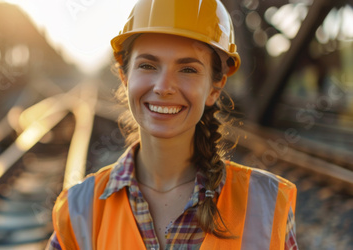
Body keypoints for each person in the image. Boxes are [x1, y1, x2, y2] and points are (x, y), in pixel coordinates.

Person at [47, 0, 298, 249]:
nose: (164, 87)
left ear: (215, 86)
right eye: (147, 65)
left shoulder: (267, 204)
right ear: (125, 76)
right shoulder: (78, 211)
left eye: (188, 69)